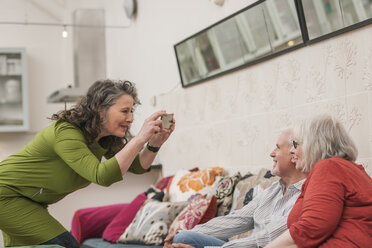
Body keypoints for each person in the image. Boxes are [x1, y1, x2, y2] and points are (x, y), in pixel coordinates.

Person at [0, 79, 175, 248]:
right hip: (6, 195)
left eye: (131, 111)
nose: (130, 118)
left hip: (30, 201)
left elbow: (138, 167)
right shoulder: (66, 132)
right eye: (124, 111)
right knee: (65, 245)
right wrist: (139, 138)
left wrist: (154, 143)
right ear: (101, 110)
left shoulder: (104, 139)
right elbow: (102, 176)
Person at [165, 129, 308, 248]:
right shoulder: (273, 189)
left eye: (277, 147)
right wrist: (189, 232)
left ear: (294, 154)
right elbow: (237, 219)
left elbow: (263, 241)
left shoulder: (306, 195)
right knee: (184, 237)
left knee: (185, 240)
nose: (271, 153)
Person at [265, 115, 372, 248]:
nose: (292, 150)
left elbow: (311, 227)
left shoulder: (329, 167)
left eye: (296, 144)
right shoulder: (345, 169)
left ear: (314, 144)